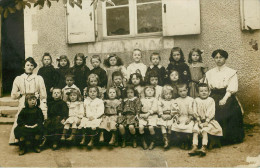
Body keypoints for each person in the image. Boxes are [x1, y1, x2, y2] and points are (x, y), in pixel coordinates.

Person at [205, 49, 244, 145]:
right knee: (210, 110)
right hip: (213, 95)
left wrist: (225, 98)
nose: (218, 60)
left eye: (221, 57)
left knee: (226, 109)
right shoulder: (209, 73)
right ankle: (212, 137)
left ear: (225, 59)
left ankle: (228, 138)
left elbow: (232, 87)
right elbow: (207, 87)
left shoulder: (231, 72)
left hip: (226, 95)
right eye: (216, 58)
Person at [10, 57, 47, 144]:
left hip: (36, 99)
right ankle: (21, 139)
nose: (29, 67)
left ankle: (37, 139)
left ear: (34, 67)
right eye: (27, 65)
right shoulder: (18, 78)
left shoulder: (39, 78)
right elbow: (13, 95)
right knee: (22, 117)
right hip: (24, 100)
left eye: (32, 65)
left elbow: (43, 93)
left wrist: (43, 103)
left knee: (39, 116)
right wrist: (22, 93)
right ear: (24, 67)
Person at [189, 83, 223, 156]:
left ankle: (204, 147)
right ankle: (194, 146)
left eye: (205, 91)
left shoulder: (210, 100)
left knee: (205, 131)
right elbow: (194, 111)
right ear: (198, 92)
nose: (204, 92)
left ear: (209, 92)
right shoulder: (196, 100)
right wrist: (198, 121)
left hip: (209, 121)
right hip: (198, 121)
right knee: (195, 131)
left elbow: (211, 112)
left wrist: (207, 121)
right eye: (201, 91)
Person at [171, 83, 194, 149]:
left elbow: (193, 111)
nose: (182, 93)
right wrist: (177, 118)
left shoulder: (191, 100)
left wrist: (190, 118)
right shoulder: (176, 100)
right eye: (180, 91)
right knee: (176, 125)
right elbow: (175, 111)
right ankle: (182, 141)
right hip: (180, 117)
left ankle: (187, 142)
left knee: (188, 126)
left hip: (188, 117)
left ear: (187, 90)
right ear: (178, 92)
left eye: (184, 90)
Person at [139, 85, 159, 150]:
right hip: (143, 115)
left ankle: (153, 141)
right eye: (148, 90)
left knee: (151, 127)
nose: (150, 92)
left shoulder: (155, 99)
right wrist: (141, 114)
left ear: (154, 92)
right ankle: (143, 141)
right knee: (141, 127)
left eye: (152, 90)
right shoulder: (142, 100)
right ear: (144, 92)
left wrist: (148, 114)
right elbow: (139, 108)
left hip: (152, 115)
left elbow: (154, 108)